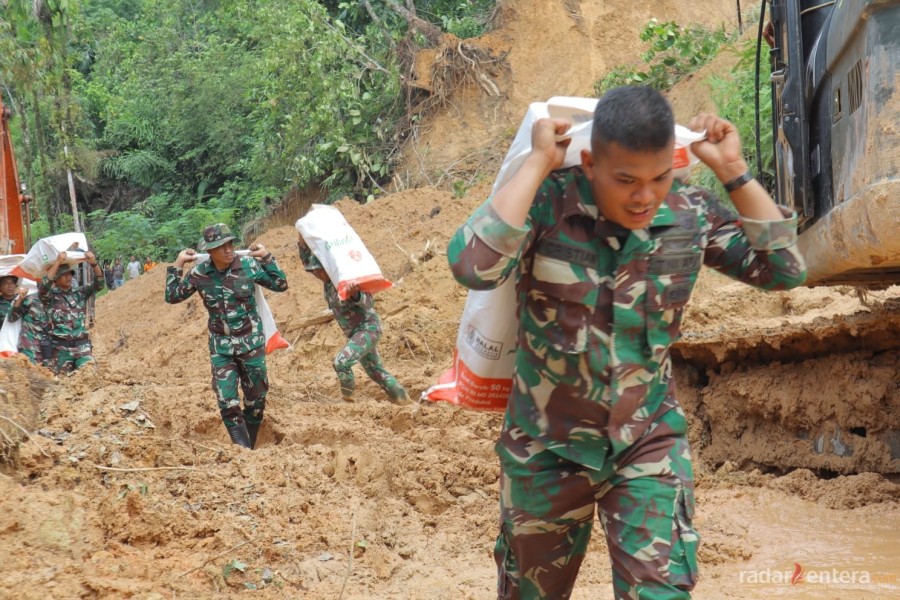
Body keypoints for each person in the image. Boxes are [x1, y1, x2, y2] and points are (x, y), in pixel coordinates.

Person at [448, 86, 807, 599]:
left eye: (658, 177)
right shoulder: (550, 203)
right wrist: (536, 163)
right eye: (626, 180)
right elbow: (472, 266)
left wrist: (733, 171)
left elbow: (785, 270)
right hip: (545, 450)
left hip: (647, 443)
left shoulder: (689, 212)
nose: (644, 197)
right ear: (590, 163)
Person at [165, 224, 288, 449]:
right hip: (221, 348)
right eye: (222, 246)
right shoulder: (200, 274)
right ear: (210, 251)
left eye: (230, 244)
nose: (229, 249)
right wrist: (178, 264)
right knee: (226, 401)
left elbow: (281, 285)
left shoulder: (249, 265)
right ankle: (243, 451)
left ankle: (250, 444)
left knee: (256, 401)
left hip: (251, 344)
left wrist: (267, 257)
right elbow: (172, 296)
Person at [298, 235, 409, 405]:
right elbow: (307, 259)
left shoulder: (345, 279)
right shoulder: (326, 279)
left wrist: (355, 294)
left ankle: (347, 402)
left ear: (328, 268)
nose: (316, 274)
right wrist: (301, 231)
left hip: (368, 329)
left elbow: (368, 302)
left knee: (341, 362)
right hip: (356, 333)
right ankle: (403, 399)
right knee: (376, 372)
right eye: (315, 271)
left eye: (319, 271)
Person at [40, 251, 105, 374]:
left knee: (91, 375)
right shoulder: (49, 297)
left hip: (82, 347)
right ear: (56, 279)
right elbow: (44, 286)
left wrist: (94, 264)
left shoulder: (80, 293)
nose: (68, 277)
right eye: (64, 275)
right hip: (61, 350)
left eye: (70, 274)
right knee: (62, 382)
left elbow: (100, 284)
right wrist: (58, 261)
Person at [8, 285, 51, 367]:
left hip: (49, 348)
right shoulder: (31, 299)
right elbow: (12, 318)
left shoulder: (58, 301)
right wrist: (20, 299)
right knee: (31, 371)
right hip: (31, 346)